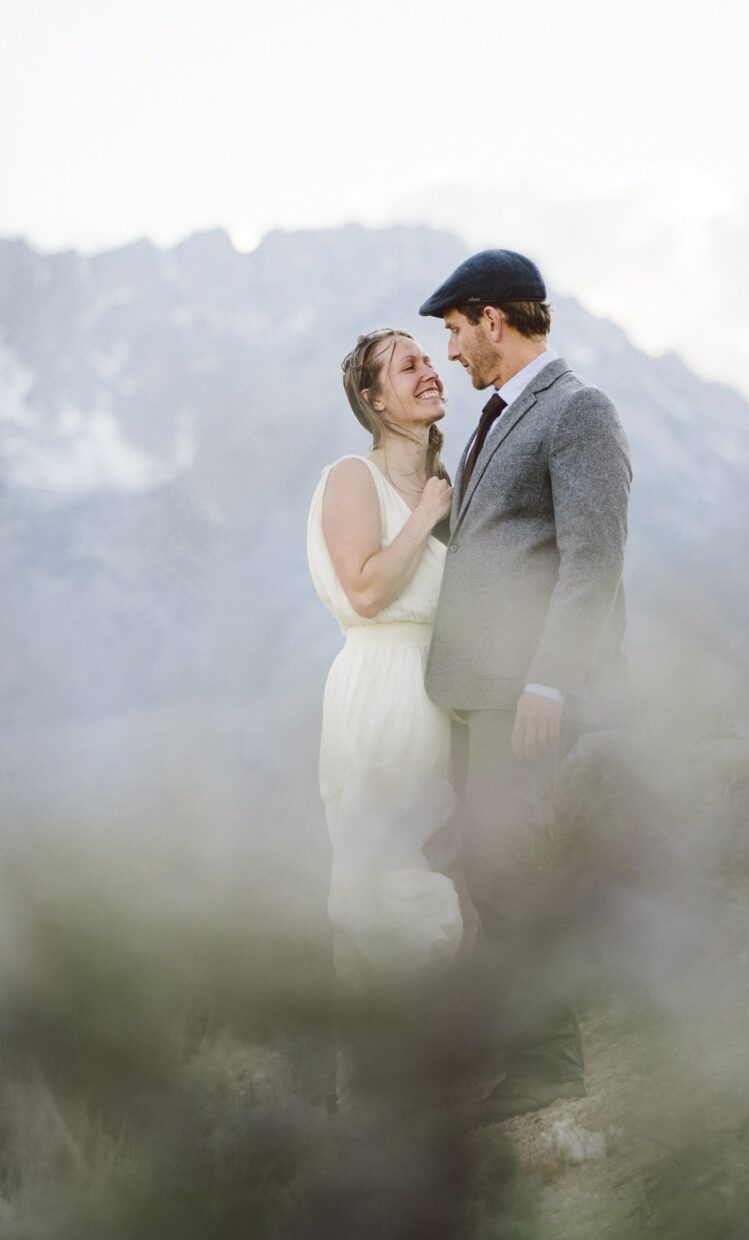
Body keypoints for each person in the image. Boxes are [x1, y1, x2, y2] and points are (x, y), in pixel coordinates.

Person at [418, 249, 633, 1123]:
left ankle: (548, 1070)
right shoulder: (499, 416)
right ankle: (513, 1051)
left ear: (492, 321)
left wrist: (550, 680)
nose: (451, 352)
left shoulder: (577, 411)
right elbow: (495, 549)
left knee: (512, 869)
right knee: (480, 868)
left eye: (455, 331)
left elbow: (593, 558)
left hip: (523, 691)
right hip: (479, 689)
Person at [307, 329, 465, 1046]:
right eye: (409, 367)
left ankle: (445, 1059)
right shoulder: (352, 477)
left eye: (430, 360)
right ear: (373, 399)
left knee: (446, 862)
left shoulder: (446, 483)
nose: (430, 371)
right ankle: (390, 1079)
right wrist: (428, 515)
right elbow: (365, 590)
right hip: (382, 693)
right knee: (377, 882)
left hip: (447, 693)